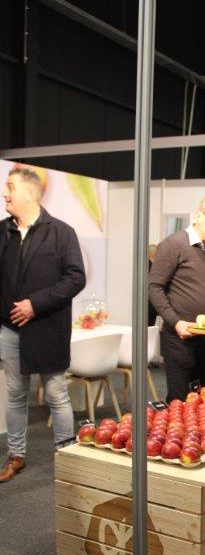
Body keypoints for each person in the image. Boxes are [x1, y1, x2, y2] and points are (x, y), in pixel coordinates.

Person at [0, 166, 86, 483]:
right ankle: (16, 455)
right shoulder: (2, 231)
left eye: (10, 187)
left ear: (29, 192)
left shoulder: (61, 232)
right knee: (14, 396)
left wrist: (35, 304)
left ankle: (66, 455)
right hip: (10, 330)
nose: (5, 194)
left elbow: (76, 278)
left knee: (56, 395)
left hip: (49, 329)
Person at [148, 194, 205, 401]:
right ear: (198, 215)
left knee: (202, 400)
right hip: (180, 341)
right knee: (180, 402)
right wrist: (176, 322)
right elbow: (154, 287)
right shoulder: (173, 245)